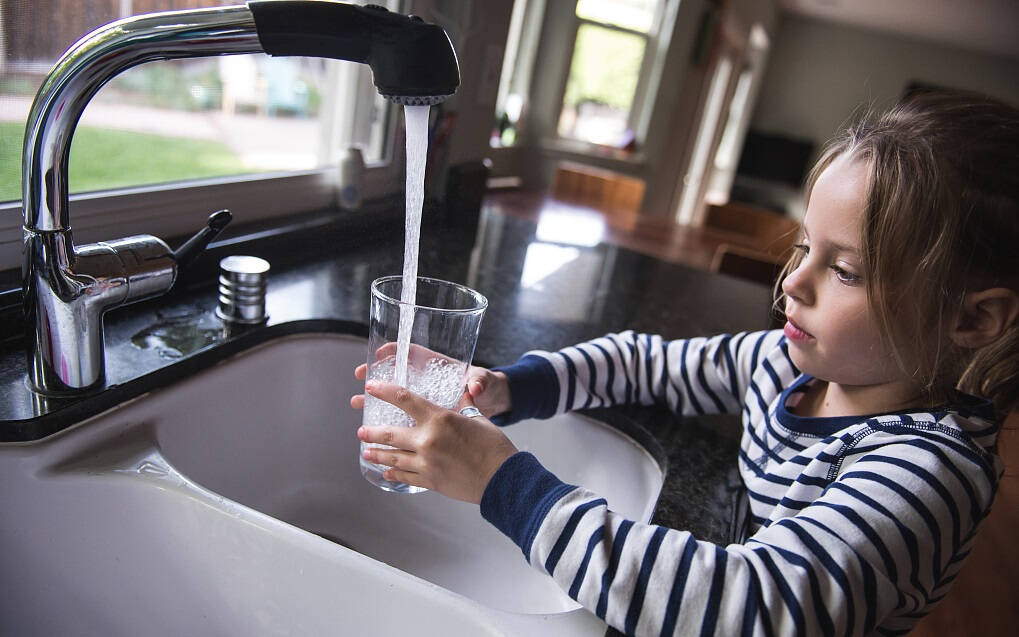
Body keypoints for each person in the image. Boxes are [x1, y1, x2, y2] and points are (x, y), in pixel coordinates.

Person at [351, 91, 1018, 635]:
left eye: (843, 270)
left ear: (971, 320)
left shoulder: (925, 475)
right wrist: (511, 387)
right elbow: (647, 365)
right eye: (805, 245)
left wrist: (500, 480)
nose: (792, 282)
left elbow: (742, 602)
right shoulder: (789, 366)